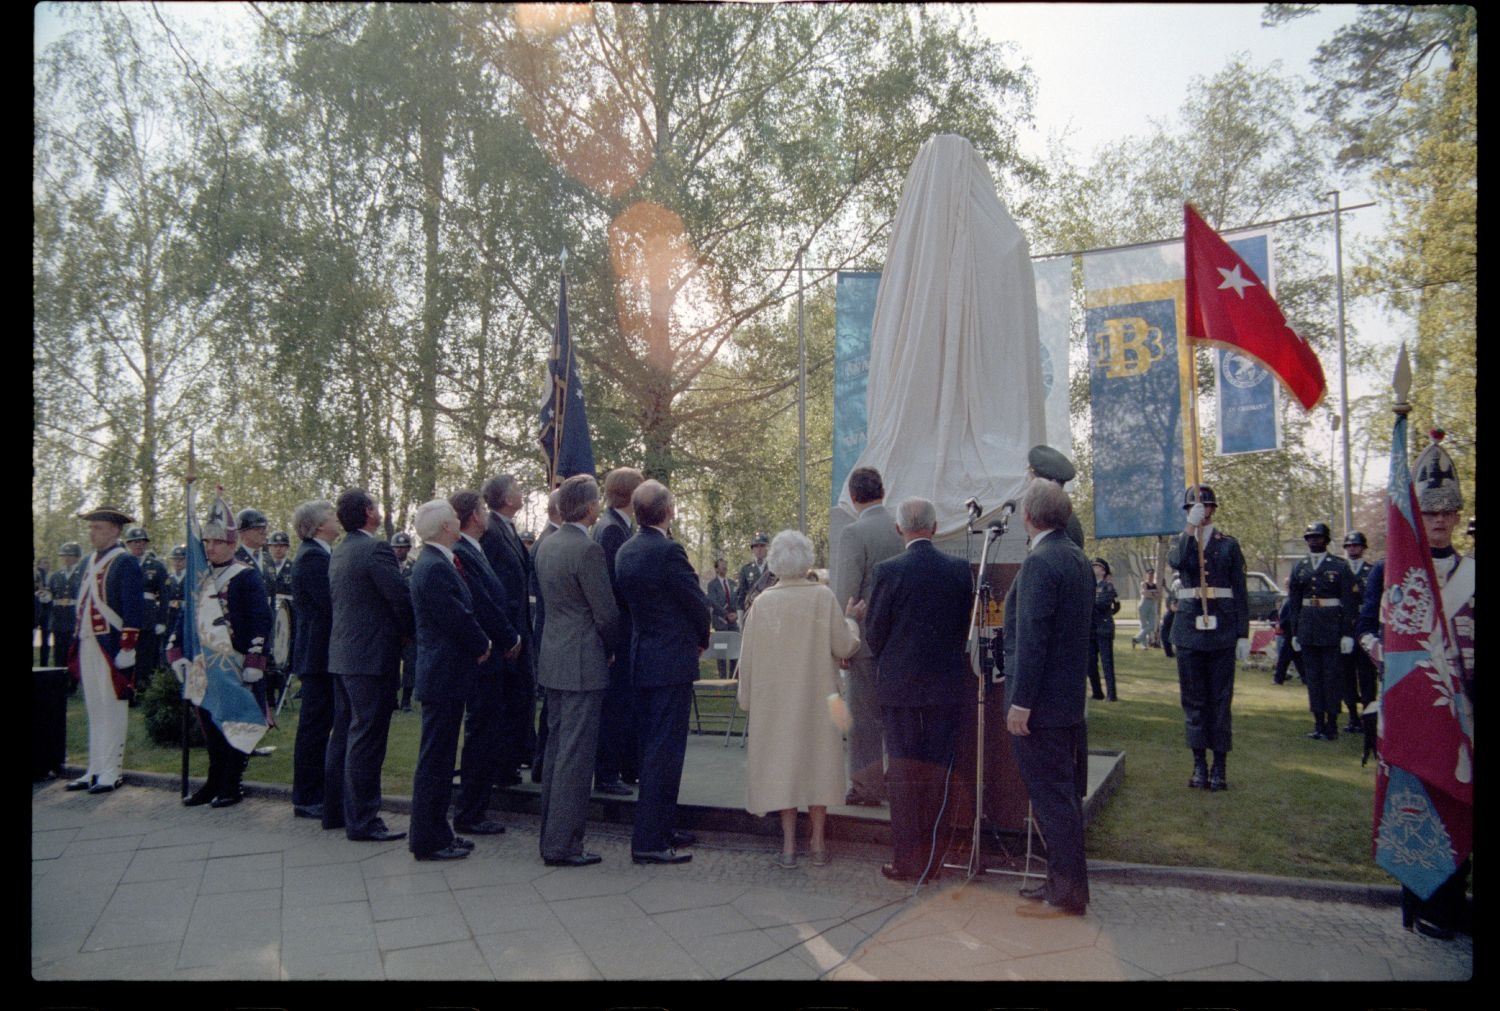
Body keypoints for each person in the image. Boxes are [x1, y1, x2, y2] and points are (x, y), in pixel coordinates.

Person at [737, 529, 863, 867]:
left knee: (783, 769)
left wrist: (747, 699)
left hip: (776, 703)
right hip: (821, 700)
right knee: (819, 765)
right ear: (806, 559)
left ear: (774, 563)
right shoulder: (823, 597)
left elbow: (746, 659)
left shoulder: (762, 604)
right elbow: (845, 646)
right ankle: (819, 842)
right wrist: (852, 619)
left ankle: (789, 846)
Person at [864, 497, 972, 883]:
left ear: (899, 529)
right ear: (936, 526)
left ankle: (908, 860)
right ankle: (936, 860)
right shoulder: (960, 571)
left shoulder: (888, 571)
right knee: (940, 773)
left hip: (901, 689)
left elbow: (874, 634)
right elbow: (965, 629)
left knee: (905, 776)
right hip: (945, 686)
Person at [1003, 479, 1094, 916]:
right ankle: (1064, 883)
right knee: (1061, 798)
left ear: (1028, 516)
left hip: (1040, 705)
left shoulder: (1041, 561)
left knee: (1051, 799)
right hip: (1066, 699)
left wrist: (1021, 702)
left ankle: (1067, 891)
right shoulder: (1075, 557)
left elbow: (1033, 640)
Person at [613, 479, 711, 865]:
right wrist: (700, 638)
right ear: (668, 511)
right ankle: (650, 840)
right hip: (670, 661)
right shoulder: (668, 551)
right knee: (664, 753)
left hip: (643, 658)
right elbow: (696, 603)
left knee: (653, 749)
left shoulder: (626, 551)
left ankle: (661, 827)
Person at [533, 474, 619, 867]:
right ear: (588, 508)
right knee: (575, 756)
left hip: (553, 656)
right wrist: (614, 649)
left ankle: (550, 835)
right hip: (584, 660)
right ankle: (564, 843)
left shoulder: (546, 545)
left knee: (556, 750)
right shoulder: (588, 551)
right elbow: (605, 613)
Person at [168, 497, 273, 808]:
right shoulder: (199, 577)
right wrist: (175, 650)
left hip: (235, 663)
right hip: (204, 664)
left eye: (217, 542)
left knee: (236, 722)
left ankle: (231, 783)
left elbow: (261, 622)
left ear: (231, 543)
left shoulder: (246, 576)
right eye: (207, 542)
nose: (210, 548)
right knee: (211, 724)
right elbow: (184, 618)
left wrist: (255, 660)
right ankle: (214, 781)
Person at [324, 488, 414, 842]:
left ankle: (337, 812)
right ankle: (363, 820)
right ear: (366, 511)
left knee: (345, 734)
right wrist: (409, 633)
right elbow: (399, 597)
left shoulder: (340, 550)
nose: (378, 510)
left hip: (344, 655)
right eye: (375, 505)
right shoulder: (375, 548)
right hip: (371, 657)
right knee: (367, 738)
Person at [407, 500, 493, 862]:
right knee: (436, 762)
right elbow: (456, 616)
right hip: (443, 674)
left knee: (440, 760)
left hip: (446, 674)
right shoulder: (435, 567)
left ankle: (440, 832)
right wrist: (482, 643)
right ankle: (429, 839)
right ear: (445, 527)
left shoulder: (437, 562)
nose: (460, 521)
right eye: (455, 519)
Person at [449, 490, 523, 837]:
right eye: (482, 510)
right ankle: (469, 812)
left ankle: (476, 808)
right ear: (475, 517)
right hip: (484, 658)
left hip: (492, 656)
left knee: (487, 733)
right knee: (480, 734)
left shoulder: (473, 549)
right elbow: (483, 604)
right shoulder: (462, 551)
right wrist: (510, 638)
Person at [1167, 485, 1249, 791]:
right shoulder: (1182, 542)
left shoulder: (1228, 544)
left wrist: (1243, 633)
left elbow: (1240, 592)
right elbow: (1177, 561)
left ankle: (1220, 768)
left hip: (1222, 631)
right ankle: (1199, 766)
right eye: (1193, 509)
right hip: (1189, 631)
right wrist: (1190, 528)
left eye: (1204, 508)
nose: (1201, 512)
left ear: (1213, 509)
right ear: (1188, 511)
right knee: (1194, 701)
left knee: (1220, 701)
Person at [831, 465, 904, 808]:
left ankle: (865, 786)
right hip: (900, 641)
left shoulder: (853, 533)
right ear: (883, 492)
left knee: (864, 720)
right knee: (895, 718)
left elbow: (846, 591)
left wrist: (844, 639)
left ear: (854, 496)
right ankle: (895, 781)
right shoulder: (900, 529)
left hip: (867, 640)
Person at [67, 507, 143, 794]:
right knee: (95, 709)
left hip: (111, 645)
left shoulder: (125, 562)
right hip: (88, 641)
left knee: (113, 708)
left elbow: (133, 609)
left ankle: (112, 771)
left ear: (114, 530)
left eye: (97, 527)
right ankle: (94, 768)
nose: (92, 532)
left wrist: (128, 647)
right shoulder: (89, 561)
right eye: (91, 527)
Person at [480, 474, 538, 785]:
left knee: (521, 696)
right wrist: (506, 633)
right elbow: (494, 587)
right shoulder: (491, 531)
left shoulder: (507, 529)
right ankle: (503, 765)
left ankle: (514, 758)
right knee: (507, 699)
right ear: (505, 498)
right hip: (507, 633)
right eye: (517, 489)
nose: (522, 492)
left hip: (519, 628)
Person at [593, 466, 644, 795]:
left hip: (623, 630)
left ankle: (624, 767)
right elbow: (615, 587)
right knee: (616, 704)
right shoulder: (612, 531)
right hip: (621, 631)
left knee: (623, 703)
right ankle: (609, 773)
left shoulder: (614, 526)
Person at [288, 500, 338, 820]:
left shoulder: (319, 554)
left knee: (319, 725)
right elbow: (329, 605)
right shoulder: (312, 558)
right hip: (317, 655)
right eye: (331, 516)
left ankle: (315, 791)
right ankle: (307, 796)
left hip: (320, 654)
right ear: (319, 525)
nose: (336, 520)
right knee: (314, 728)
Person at [1286, 521, 1358, 742]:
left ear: (1326, 540)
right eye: (1310, 537)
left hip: (1331, 628)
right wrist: (1295, 632)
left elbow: (1349, 601)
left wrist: (1347, 633)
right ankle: (1318, 723)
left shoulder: (1339, 566)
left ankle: (1332, 724)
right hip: (1308, 627)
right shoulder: (1300, 567)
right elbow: (1294, 602)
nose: (1313, 541)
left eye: (1318, 537)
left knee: (1331, 678)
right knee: (1314, 678)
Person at [123, 526, 169, 703]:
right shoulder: (122, 564)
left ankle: (142, 693)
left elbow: (164, 595)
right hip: (126, 618)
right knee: (125, 655)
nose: (138, 545)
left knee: (145, 658)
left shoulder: (156, 566)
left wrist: (161, 620)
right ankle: (125, 690)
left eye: (142, 542)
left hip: (148, 618)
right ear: (128, 544)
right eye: (135, 542)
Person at [1340, 530, 1379, 733]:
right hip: (1345, 629)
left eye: (1356, 546)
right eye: (1349, 546)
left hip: (1364, 629)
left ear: (1363, 548)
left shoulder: (1372, 571)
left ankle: (1368, 716)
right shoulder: (1339, 570)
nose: (1353, 549)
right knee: (1347, 676)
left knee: (1367, 676)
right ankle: (1352, 717)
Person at [262, 530, 296, 708]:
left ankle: (282, 692)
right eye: (274, 546)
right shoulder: (264, 566)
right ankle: (269, 695)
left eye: (281, 546)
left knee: (283, 653)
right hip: (268, 613)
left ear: (287, 548)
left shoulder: (293, 566)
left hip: (286, 613)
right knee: (268, 654)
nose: (278, 550)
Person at [391, 532, 418, 712]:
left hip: (410, 624)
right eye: (397, 547)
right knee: (391, 664)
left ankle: (406, 699)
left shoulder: (414, 568)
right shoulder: (386, 567)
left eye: (403, 547)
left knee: (410, 663)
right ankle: (392, 698)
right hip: (391, 625)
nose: (400, 551)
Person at [47, 542, 83, 671]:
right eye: (64, 556)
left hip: (75, 619)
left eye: (70, 555)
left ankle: (72, 679)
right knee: (58, 651)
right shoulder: (56, 576)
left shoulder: (83, 574)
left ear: (78, 557)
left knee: (73, 651)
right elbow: (49, 595)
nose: (66, 558)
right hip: (59, 619)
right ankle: (58, 677)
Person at [1087, 557, 1119, 701]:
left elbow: (1103, 603)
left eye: (1096, 566)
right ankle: (1097, 692)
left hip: (1103, 628)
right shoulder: (1088, 586)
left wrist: (1088, 602)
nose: (1093, 568)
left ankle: (1111, 695)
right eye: (1092, 566)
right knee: (1090, 663)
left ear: (1103, 570)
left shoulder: (1108, 586)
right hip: (1091, 629)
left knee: (1107, 663)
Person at [736, 532, 770, 610]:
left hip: (770, 610)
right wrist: (741, 620)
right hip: (752, 611)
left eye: (762, 546)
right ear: (752, 549)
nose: (759, 549)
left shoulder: (774, 568)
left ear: (767, 548)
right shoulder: (746, 569)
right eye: (756, 546)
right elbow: (741, 596)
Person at [1132, 567, 1160, 649]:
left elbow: (1158, 595)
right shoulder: (1143, 583)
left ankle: (1136, 638)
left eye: (1152, 574)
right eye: (1149, 574)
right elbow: (1145, 593)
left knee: (1151, 625)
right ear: (1146, 575)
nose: (1151, 576)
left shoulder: (1155, 585)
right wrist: (1153, 594)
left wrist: (1151, 594)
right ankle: (1144, 645)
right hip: (1144, 604)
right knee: (1144, 625)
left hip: (1152, 604)